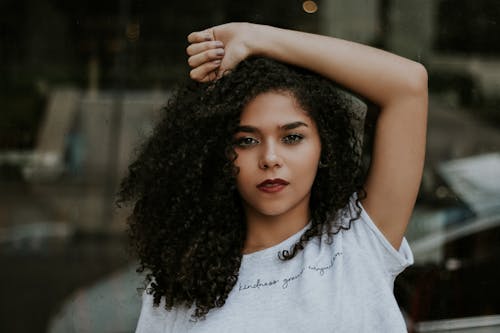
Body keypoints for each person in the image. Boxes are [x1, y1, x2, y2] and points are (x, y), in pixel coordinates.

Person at [119, 22, 428, 332]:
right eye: (246, 141)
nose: (269, 159)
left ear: (325, 147)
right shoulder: (180, 284)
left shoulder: (359, 242)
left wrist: (255, 38)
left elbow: (407, 85)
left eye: (292, 138)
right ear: (219, 155)